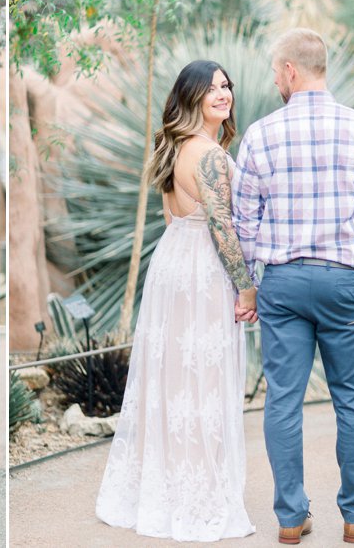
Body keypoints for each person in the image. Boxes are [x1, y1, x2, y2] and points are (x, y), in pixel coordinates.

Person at [232, 28, 354, 545]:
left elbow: (244, 222)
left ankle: (290, 518)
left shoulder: (260, 135)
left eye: (274, 71)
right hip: (350, 282)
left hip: (283, 284)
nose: (274, 80)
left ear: (289, 71)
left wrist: (254, 282)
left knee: (282, 400)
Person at [96, 60, 258, 541]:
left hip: (174, 261)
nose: (223, 93)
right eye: (211, 89)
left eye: (226, 85)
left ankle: (168, 487)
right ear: (190, 98)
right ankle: (198, 494)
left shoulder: (172, 146)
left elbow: (174, 217)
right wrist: (245, 285)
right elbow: (221, 224)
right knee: (204, 377)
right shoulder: (207, 154)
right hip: (203, 265)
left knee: (176, 379)